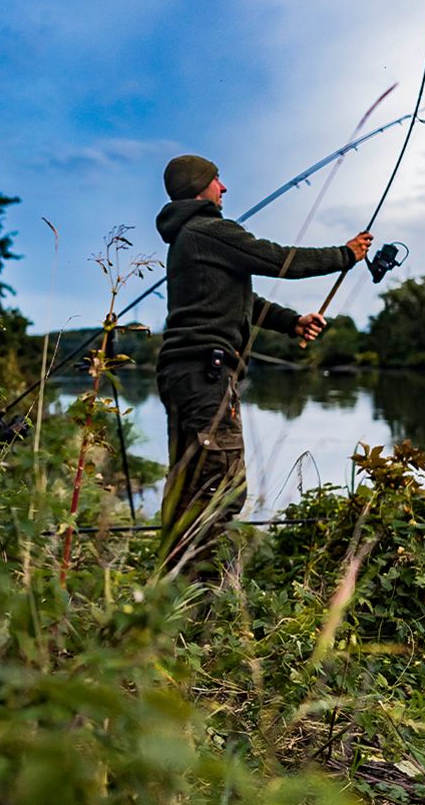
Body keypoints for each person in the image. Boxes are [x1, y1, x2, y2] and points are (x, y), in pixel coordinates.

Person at [155, 154, 372, 573]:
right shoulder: (209, 229)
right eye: (218, 179)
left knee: (187, 488)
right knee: (219, 488)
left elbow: (242, 302)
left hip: (185, 373)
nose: (224, 188)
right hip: (207, 375)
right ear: (200, 186)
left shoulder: (188, 238)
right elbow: (278, 259)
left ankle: (169, 594)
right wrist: (345, 255)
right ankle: (197, 603)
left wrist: (291, 323)